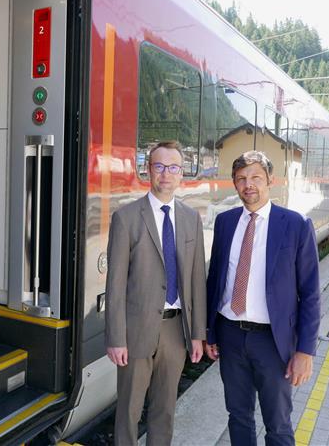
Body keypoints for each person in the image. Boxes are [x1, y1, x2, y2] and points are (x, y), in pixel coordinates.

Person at [205, 151, 320, 446]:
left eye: (256, 177)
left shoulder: (295, 224)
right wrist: (210, 331)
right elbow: (215, 279)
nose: (248, 184)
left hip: (273, 342)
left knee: (278, 423)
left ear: (270, 180)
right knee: (238, 415)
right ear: (234, 183)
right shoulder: (225, 222)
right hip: (230, 335)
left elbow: (310, 293)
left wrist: (305, 352)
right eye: (241, 178)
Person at [105, 140, 207, 446]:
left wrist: (198, 334)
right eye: (159, 166)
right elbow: (115, 285)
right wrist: (116, 338)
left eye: (173, 167)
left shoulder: (191, 219)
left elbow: (197, 280)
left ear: (181, 174)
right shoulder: (126, 218)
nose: (166, 174)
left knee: (165, 410)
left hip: (177, 331)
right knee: (128, 411)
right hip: (136, 332)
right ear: (149, 170)